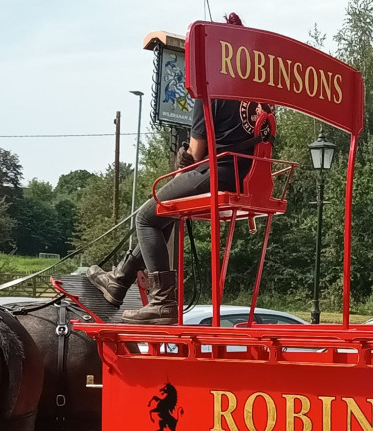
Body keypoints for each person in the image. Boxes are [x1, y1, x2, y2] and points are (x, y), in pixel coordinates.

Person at [88, 13, 270, 325]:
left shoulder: (210, 90)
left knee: (147, 215)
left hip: (219, 175)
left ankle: (162, 302)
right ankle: (119, 280)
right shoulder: (260, 95)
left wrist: (184, 153)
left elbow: (197, 152)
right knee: (165, 210)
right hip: (248, 178)